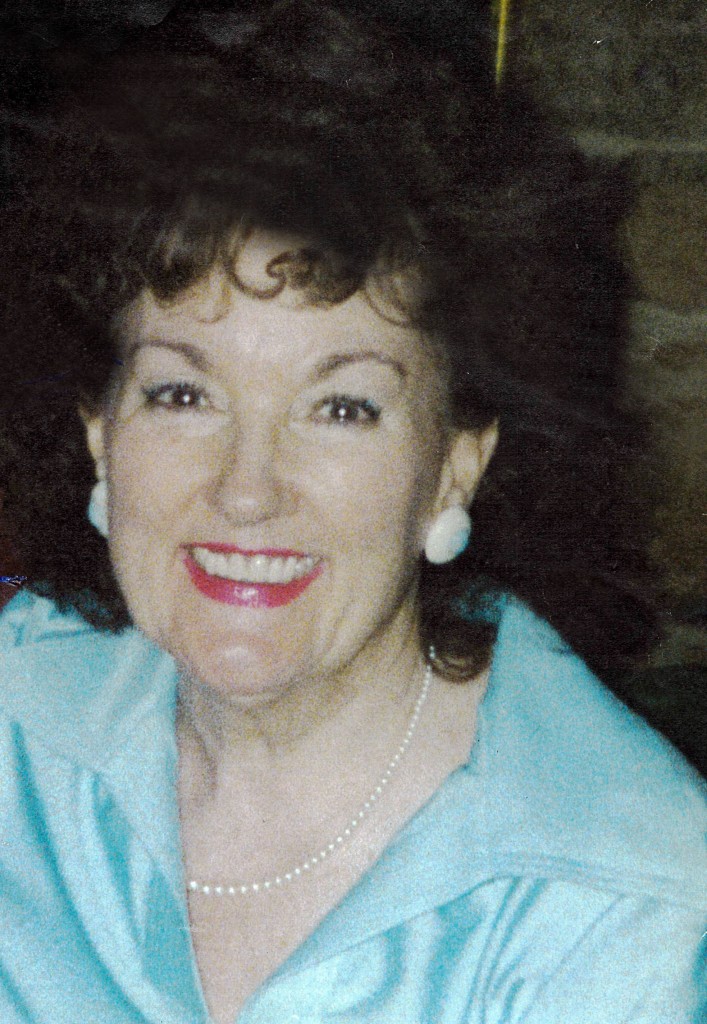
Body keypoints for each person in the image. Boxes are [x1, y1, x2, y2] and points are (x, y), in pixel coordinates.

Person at [0, 3, 704, 1022]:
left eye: (341, 408)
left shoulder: (619, 898)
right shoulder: (16, 723)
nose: (246, 489)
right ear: (100, 431)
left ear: (454, 466)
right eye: (182, 393)